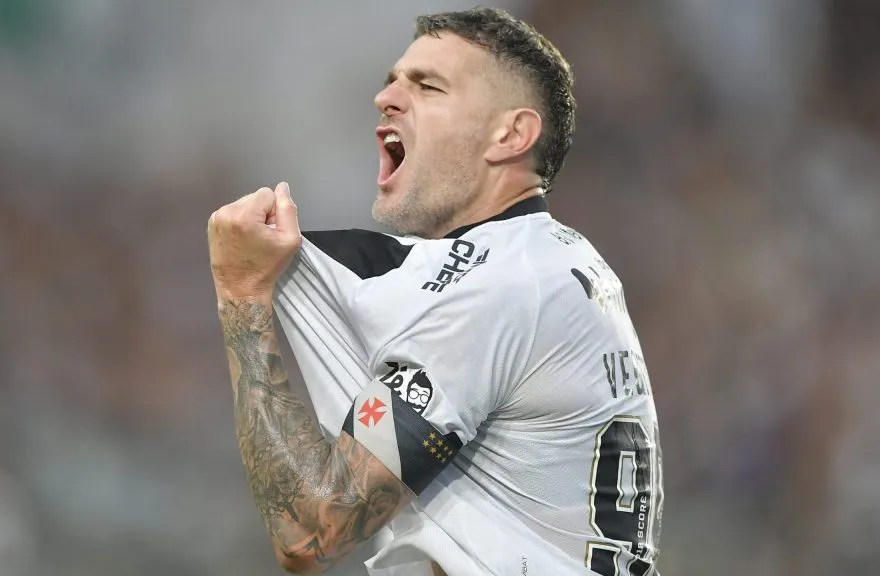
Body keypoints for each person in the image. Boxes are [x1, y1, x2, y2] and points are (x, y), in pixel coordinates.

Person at [208, 7, 663, 576]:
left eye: (428, 85)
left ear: (511, 134)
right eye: (392, 80)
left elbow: (310, 531)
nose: (387, 98)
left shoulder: (494, 288)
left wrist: (242, 293)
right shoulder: (552, 262)